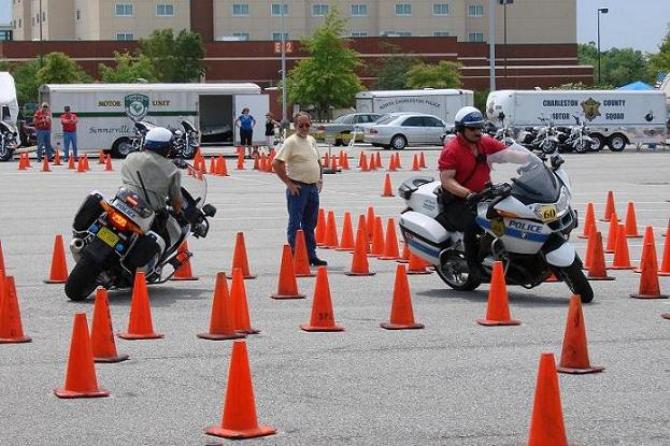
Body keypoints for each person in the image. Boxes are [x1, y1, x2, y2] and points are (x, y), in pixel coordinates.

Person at [438, 106, 528, 278]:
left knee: (512, 213)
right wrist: (468, 194)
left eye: (480, 127)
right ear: (461, 129)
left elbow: (507, 154)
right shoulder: (452, 150)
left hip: (484, 196)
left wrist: (531, 158)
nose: (477, 131)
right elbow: (447, 180)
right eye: (472, 128)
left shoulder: (485, 143)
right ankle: (473, 265)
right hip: (459, 201)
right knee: (474, 223)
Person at [272, 112, 327, 266]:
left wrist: (320, 179)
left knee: (310, 224)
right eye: (300, 125)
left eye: (307, 125)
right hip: (298, 188)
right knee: (295, 223)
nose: (304, 128)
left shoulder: (311, 140)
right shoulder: (291, 142)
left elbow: (318, 161)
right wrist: (288, 183)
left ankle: (310, 254)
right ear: (294, 126)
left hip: (312, 188)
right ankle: (296, 253)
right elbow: (276, 163)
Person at [121, 127, 183, 247]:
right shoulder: (172, 170)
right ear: (166, 148)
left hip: (123, 203)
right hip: (147, 213)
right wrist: (178, 213)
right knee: (159, 243)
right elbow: (176, 200)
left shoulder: (130, 157)